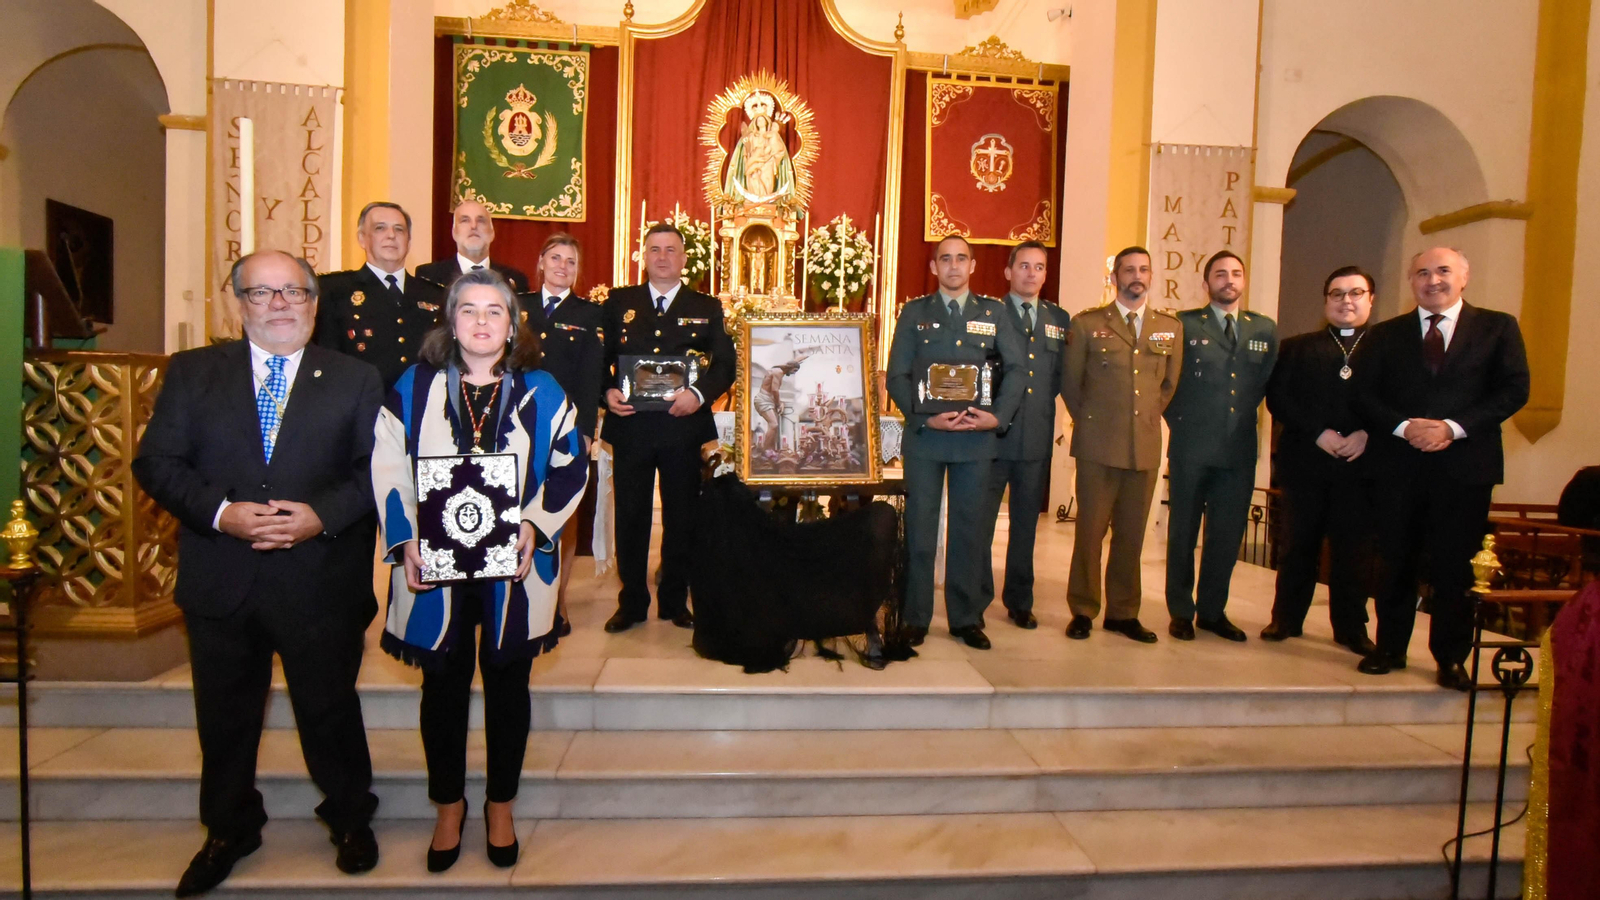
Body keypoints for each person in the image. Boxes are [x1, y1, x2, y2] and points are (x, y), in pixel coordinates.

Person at [133, 250, 383, 897]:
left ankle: (350, 814)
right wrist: (222, 514)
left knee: (329, 711)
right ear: (237, 302)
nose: (279, 305)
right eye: (263, 293)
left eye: (294, 292)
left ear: (313, 302)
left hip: (320, 579)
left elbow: (375, 475)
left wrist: (318, 517)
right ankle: (228, 827)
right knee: (224, 718)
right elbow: (157, 463)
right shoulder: (192, 374)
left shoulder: (356, 379)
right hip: (223, 579)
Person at [371, 269, 588, 872]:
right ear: (451, 320)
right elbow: (388, 465)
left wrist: (535, 524)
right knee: (440, 688)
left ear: (513, 323)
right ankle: (447, 807)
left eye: (496, 311)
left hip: (513, 571)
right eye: (469, 310)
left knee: (506, 687)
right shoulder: (413, 387)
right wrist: (404, 538)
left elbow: (572, 465)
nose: (483, 321)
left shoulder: (544, 391)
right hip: (432, 567)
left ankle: (499, 805)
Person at [1353, 247, 1529, 689]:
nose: (1433, 280)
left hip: (1465, 468)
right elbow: (1363, 395)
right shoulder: (1385, 335)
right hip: (1398, 466)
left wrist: (1452, 428)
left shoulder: (1497, 327)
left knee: (1455, 567)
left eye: (1443, 271)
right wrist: (1403, 427)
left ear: (1464, 277)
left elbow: (1514, 390)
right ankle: (1389, 648)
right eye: (1422, 273)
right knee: (1395, 560)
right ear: (1411, 281)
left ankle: (1451, 657)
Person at [885, 234, 1026, 649]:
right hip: (928, 438)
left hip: (975, 441)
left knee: (969, 532)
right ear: (933, 268)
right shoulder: (915, 313)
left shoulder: (994, 313)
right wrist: (925, 417)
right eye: (944, 259)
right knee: (920, 531)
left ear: (973, 265)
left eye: (961, 258)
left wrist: (996, 416)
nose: (953, 266)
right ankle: (914, 617)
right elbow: (897, 375)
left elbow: (1017, 370)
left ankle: (965, 619)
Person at [600, 223, 735, 632]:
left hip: (682, 428)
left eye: (671, 250)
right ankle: (632, 602)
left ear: (683, 258)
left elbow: (725, 365)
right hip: (632, 427)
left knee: (681, 517)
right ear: (644, 256)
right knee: (632, 515)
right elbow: (599, 358)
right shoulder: (620, 301)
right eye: (655, 249)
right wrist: (605, 393)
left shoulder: (706, 305)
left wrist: (698, 394)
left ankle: (674, 599)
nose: (662, 257)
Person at [1060, 247, 1182, 643]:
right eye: (1128, 269)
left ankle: (1123, 612)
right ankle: (1083, 608)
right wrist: (1095, 421)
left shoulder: (1169, 328)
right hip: (1097, 446)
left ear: (1151, 276)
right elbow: (1071, 384)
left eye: (1143, 269)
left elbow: (1168, 386)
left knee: (1132, 536)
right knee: (1090, 534)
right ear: (1115, 277)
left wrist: (1144, 418)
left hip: (1144, 447)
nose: (1136, 275)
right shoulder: (1088, 323)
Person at [1261, 266, 1379, 654]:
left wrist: (1366, 433)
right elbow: (1279, 397)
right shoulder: (1297, 347)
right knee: (1297, 546)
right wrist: (1319, 433)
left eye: (1355, 293)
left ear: (1370, 300)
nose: (1347, 301)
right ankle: (1286, 618)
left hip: (1361, 467)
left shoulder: (1387, 348)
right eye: (1337, 294)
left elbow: (1399, 401)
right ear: (1326, 300)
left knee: (1353, 551)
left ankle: (1350, 627)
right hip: (1306, 465)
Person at [1163, 250, 1278, 642]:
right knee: (1183, 532)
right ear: (1206, 282)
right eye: (1220, 274)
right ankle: (1180, 610)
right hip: (1191, 448)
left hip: (1238, 450)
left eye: (1235, 273)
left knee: (1227, 536)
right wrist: (1179, 425)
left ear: (1243, 280)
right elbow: (1167, 384)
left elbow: (1267, 386)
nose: (1228, 280)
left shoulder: (1263, 329)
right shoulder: (1183, 324)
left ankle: (1212, 611)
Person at [976, 241, 1071, 630]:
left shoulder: (1060, 319)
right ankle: (976, 600)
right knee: (980, 525)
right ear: (1008, 272)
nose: (1031, 273)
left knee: (1026, 524)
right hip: (992, 437)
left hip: (1035, 436)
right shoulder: (987, 314)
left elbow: (1060, 377)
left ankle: (1020, 600)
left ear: (1046, 274)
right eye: (1024, 266)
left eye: (1039, 267)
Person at [516, 234, 604, 634]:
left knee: (561, 514)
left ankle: (558, 600)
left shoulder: (588, 315)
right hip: (515, 426)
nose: (562, 266)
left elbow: (591, 376)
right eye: (555, 258)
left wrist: (585, 432)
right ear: (540, 262)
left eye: (571, 261)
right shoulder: (517, 306)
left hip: (564, 430)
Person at [316, 201, 446, 389]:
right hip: (361, 406)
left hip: (419, 408)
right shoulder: (335, 291)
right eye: (380, 228)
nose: (391, 235)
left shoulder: (435, 294)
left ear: (408, 241)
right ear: (362, 238)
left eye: (399, 230)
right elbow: (326, 358)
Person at [416, 199, 531, 292]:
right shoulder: (429, 277)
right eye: (465, 220)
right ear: (454, 232)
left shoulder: (515, 280)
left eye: (481, 221)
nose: (474, 226)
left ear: (492, 233)